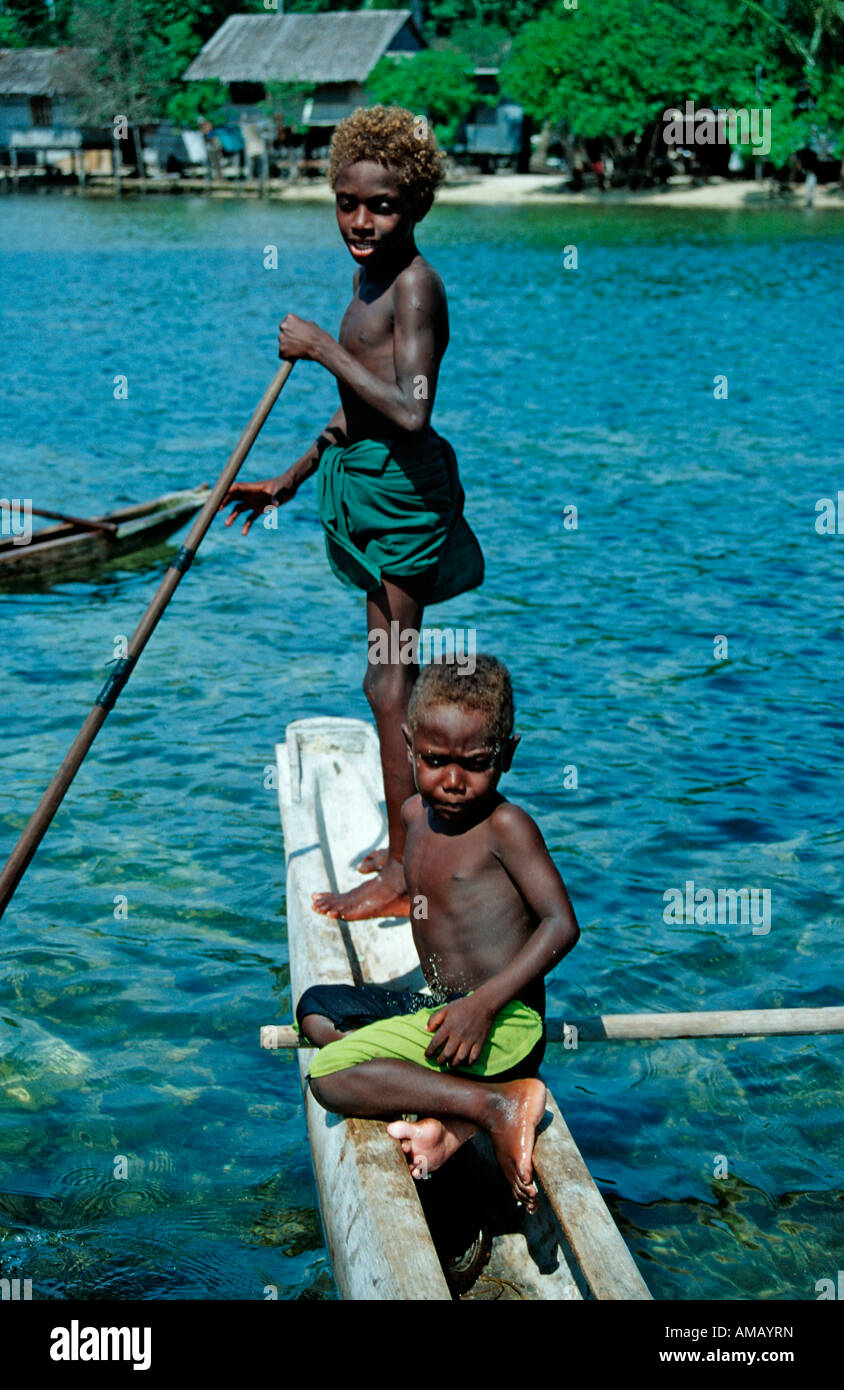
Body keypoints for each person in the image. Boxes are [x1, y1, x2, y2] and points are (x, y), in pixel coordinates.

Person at [220, 106, 483, 921]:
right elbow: (354, 412)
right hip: (365, 483)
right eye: (347, 203)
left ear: (417, 208)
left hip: (404, 499)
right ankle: (408, 846)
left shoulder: (415, 286)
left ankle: (408, 874)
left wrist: (319, 348)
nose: (361, 222)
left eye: (383, 207)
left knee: (387, 681)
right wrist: (290, 478)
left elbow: (410, 413)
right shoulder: (366, 277)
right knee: (385, 680)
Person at [295, 656, 580, 1212]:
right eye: (433, 760)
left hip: (504, 1024)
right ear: (409, 745)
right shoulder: (413, 813)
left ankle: (496, 1104)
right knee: (316, 1011)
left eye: (474, 764)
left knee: (328, 1077)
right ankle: (451, 1100)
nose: (451, 781)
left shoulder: (506, 827)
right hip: (441, 1006)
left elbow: (561, 924)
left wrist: (483, 1005)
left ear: (508, 754)